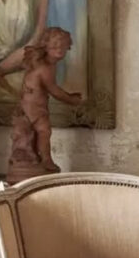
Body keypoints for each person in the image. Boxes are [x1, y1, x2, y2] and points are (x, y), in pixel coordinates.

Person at [7, 27, 83, 179]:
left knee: (36, 133)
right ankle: (46, 160)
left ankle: (35, 158)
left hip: (32, 106)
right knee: (44, 132)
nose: (60, 49)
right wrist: (71, 100)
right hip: (34, 108)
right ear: (46, 46)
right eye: (55, 45)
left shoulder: (46, 65)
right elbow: (54, 90)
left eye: (63, 46)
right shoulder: (45, 69)